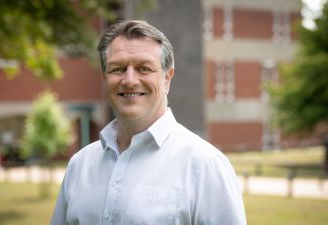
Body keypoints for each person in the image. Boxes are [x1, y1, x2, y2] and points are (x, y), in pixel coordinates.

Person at [50, 20, 246, 225]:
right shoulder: (79, 165)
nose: (130, 80)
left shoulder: (204, 165)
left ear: (167, 78)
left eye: (144, 68)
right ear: (104, 77)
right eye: (118, 69)